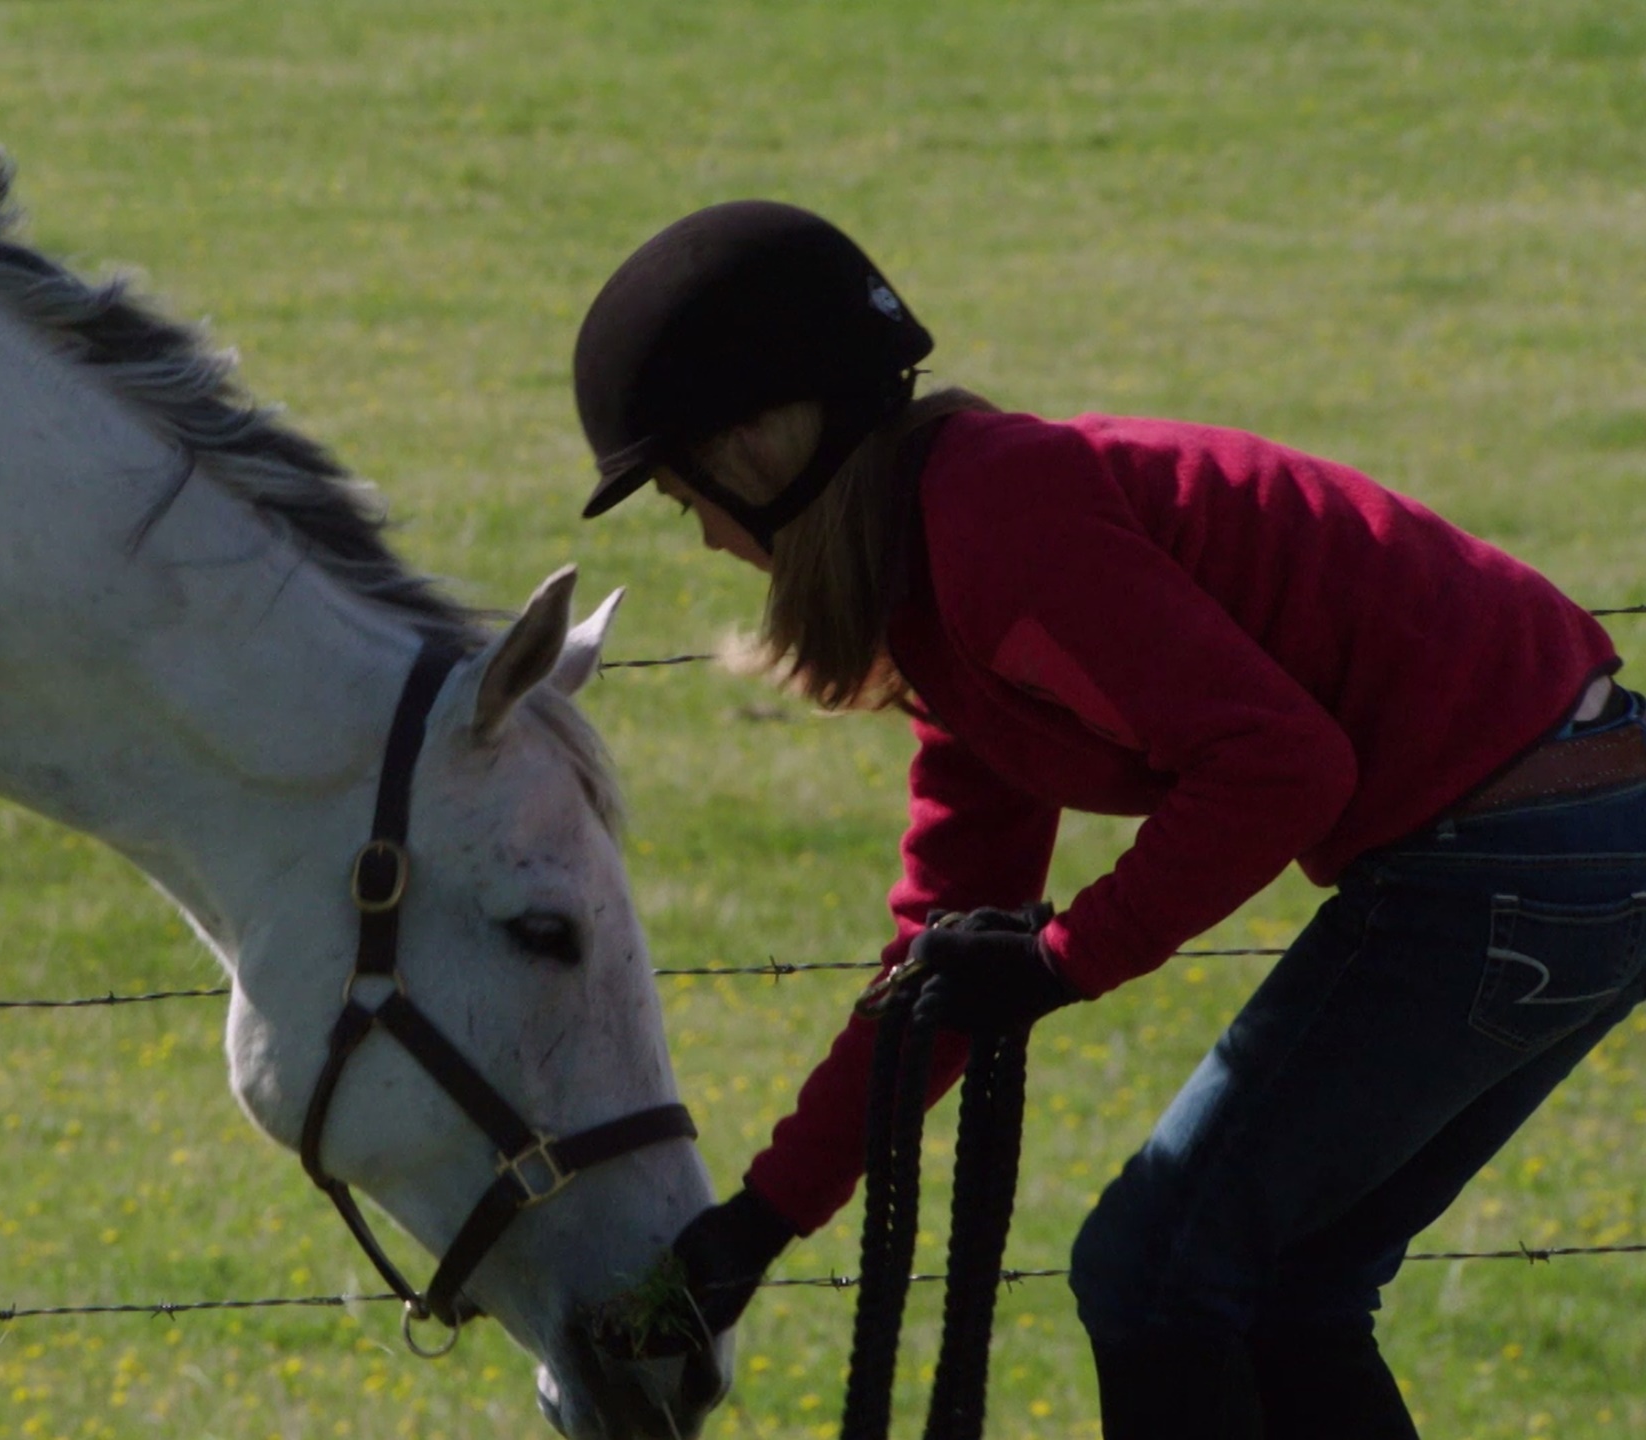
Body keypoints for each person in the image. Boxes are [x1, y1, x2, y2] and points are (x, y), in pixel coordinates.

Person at [572, 199, 1646, 1439]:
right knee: (1283, 1288)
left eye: (679, 496)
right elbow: (937, 955)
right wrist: (753, 1229)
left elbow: (1281, 771)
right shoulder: (950, 587)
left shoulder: (994, 527)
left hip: (1510, 851)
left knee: (1152, 1271)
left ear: (758, 444)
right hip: (1578, 830)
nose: (704, 538)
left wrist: (1056, 963)